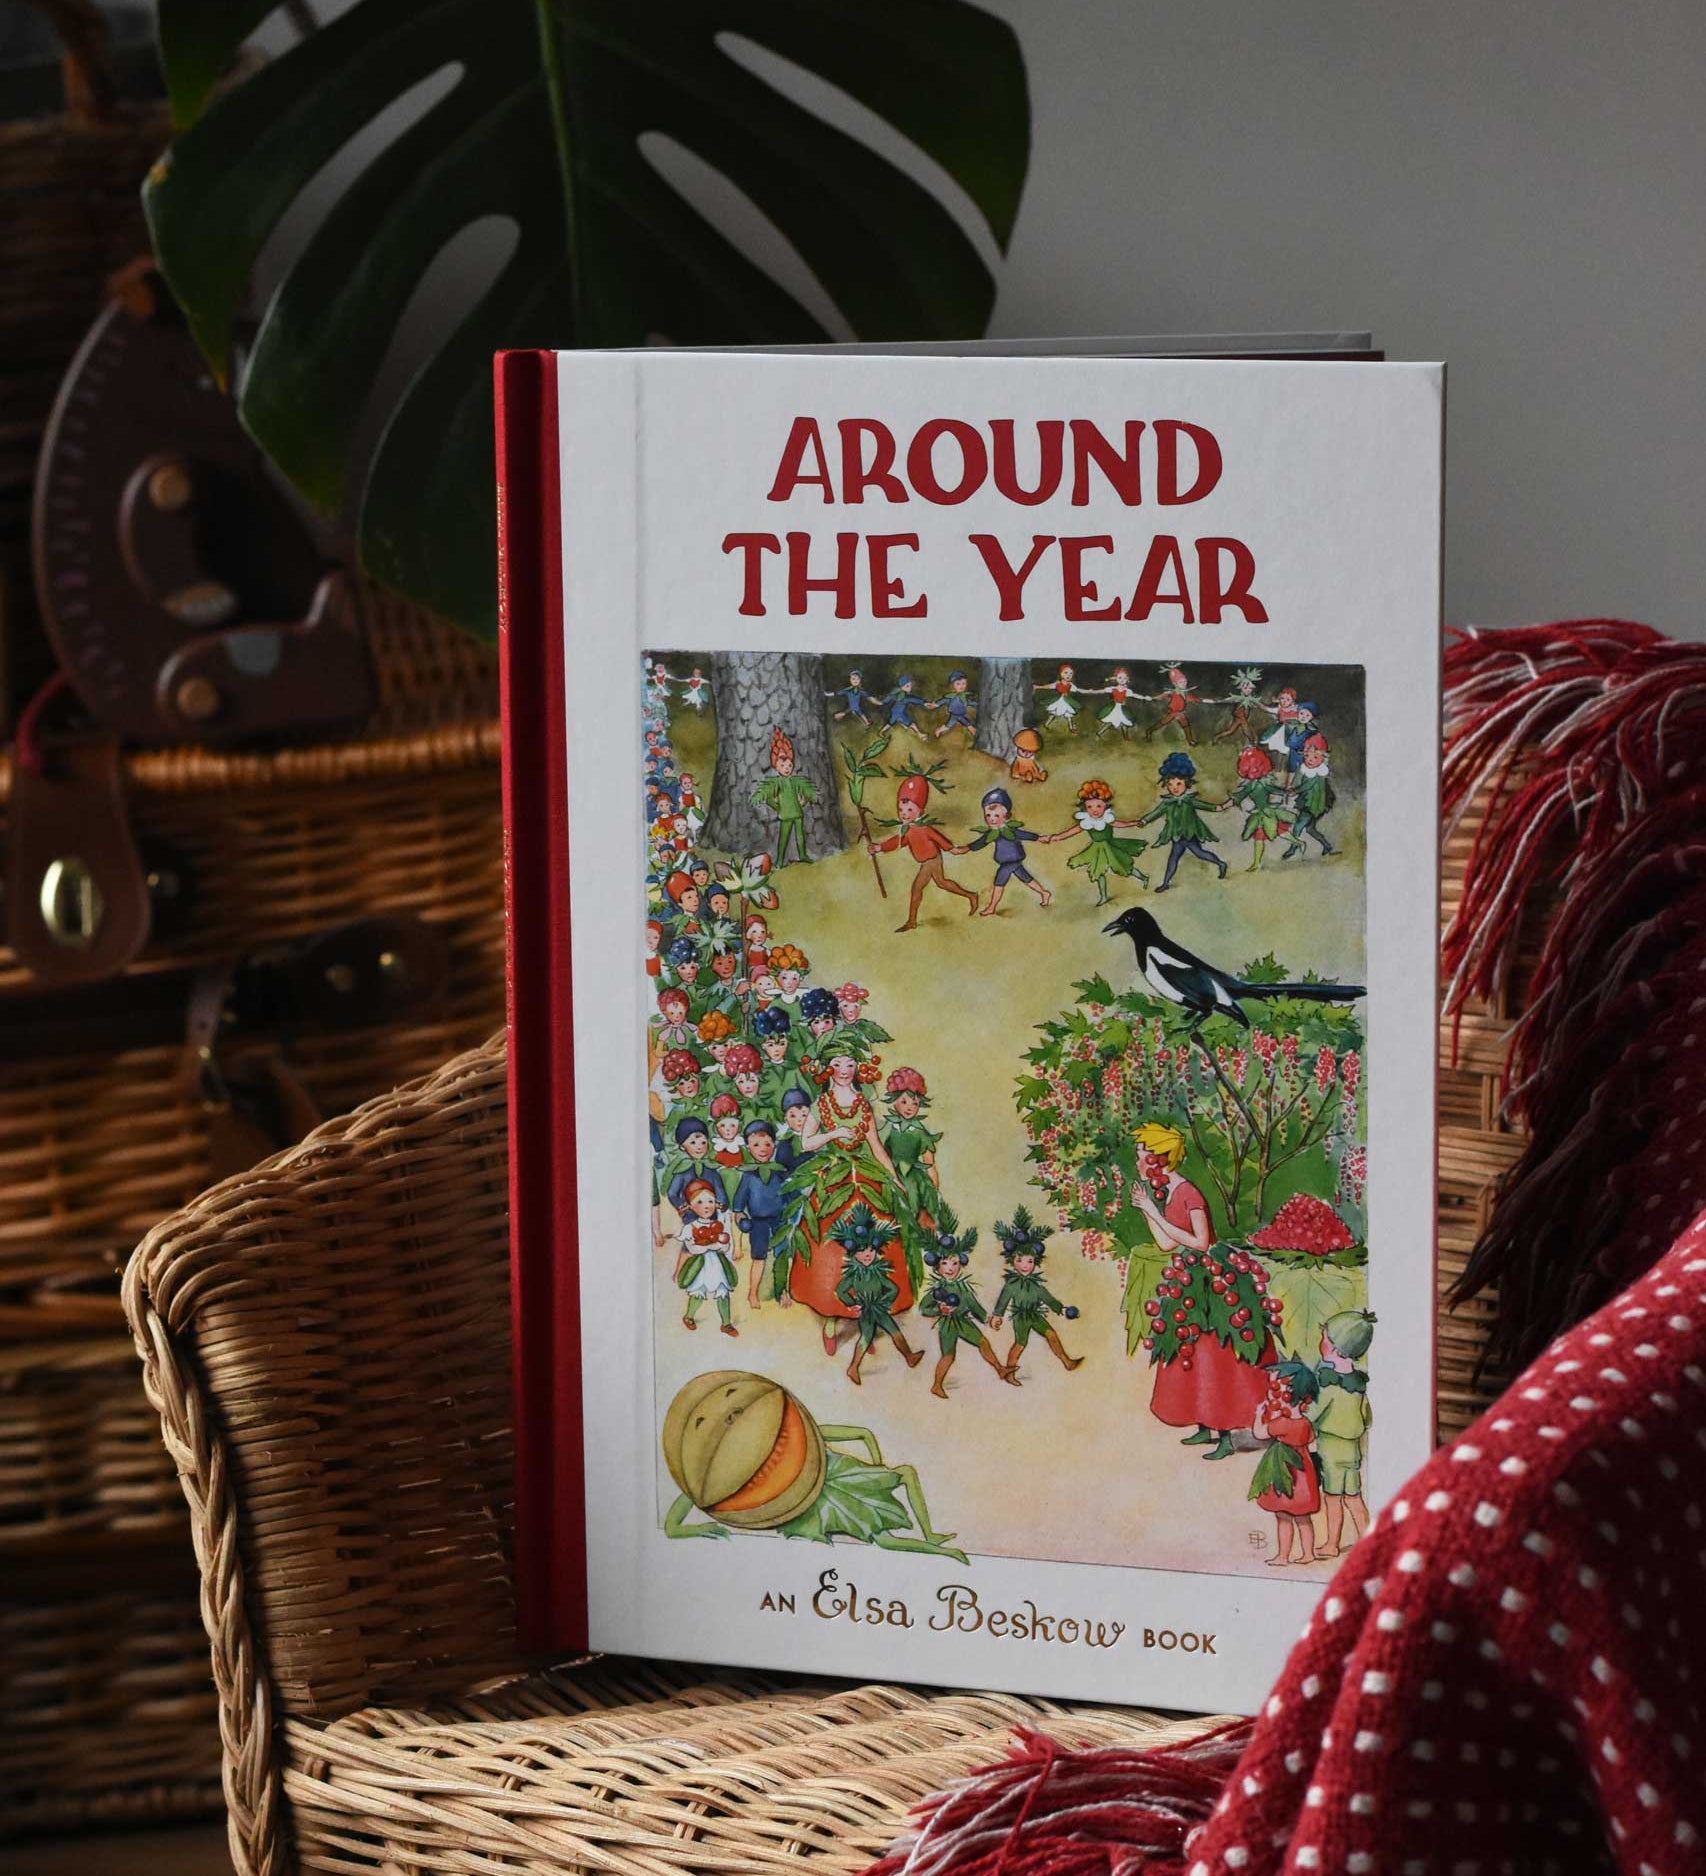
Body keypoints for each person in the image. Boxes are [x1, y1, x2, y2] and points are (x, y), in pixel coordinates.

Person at [771, 1027, 917, 1355]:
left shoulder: (863, 1103)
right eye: (839, 1063)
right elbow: (807, 1142)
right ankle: (830, 1319)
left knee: (876, 1241)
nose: (845, 1069)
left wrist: (894, 1178)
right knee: (829, 1248)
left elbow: (876, 1146)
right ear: (829, 1069)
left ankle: (869, 1314)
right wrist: (833, 1132)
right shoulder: (821, 1103)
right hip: (832, 1174)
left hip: (863, 1176)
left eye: (850, 1063)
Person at [1131, 1120, 1270, 1459]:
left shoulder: (1188, 1192)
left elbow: (1202, 1241)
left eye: (1141, 1154)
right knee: (1188, 1351)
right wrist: (1148, 1210)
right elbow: (1166, 1243)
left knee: (1215, 1356)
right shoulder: (1167, 1193)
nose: (1137, 1161)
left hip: (1214, 1281)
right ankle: (1204, 1427)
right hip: (1188, 1278)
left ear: (1158, 1158)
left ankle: (1225, 1434)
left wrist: (1153, 1211)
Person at [866, 768, 981, 931]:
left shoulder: (925, 829)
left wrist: (956, 849)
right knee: (942, 883)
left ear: (921, 811)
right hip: (927, 862)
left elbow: (941, 841)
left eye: (909, 810)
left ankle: (912, 921)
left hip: (932, 860)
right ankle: (971, 895)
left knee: (918, 887)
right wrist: (879, 847)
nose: (904, 814)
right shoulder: (909, 830)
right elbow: (899, 841)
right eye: (901, 810)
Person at [920, 1221, 1018, 1397]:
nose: (950, 1268)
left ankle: (1000, 1369)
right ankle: (936, 1385)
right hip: (948, 1325)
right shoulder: (937, 1290)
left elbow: (974, 1307)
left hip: (963, 1322)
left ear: (961, 1264)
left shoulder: (963, 1288)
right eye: (945, 1263)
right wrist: (939, 1310)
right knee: (948, 1356)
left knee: (983, 1342)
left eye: (955, 1263)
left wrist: (988, 1319)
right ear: (937, 1266)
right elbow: (924, 1308)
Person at [1306, 1309, 1376, 1556]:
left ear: (1335, 1347)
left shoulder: (1328, 1381)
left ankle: (1332, 1544)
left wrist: (1302, 1418)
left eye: (1325, 1338)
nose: (1321, 1342)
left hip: (1332, 1449)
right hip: (1353, 1449)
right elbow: (1367, 1416)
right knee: (1354, 1497)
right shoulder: (1358, 1383)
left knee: (1333, 1498)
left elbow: (1314, 1413)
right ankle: (1369, 1542)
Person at [832, 1205, 924, 1384]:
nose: (867, 1255)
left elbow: (893, 1289)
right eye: (862, 1251)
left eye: (871, 1250)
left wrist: (886, 1301)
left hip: (879, 1308)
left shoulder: (878, 1271)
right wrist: (852, 1303)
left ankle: (909, 1356)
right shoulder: (853, 1274)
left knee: (894, 1331)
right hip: (866, 1310)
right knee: (866, 1337)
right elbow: (841, 1290)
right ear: (854, 1253)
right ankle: (853, 1367)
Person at [989, 1207, 1082, 1377]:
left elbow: (1046, 1297)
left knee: (1051, 1335)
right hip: (1021, 1318)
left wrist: (1060, 1309)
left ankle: (1067, 1362)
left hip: (1035, 1315)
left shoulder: (1035, 1284)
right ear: (1013, 1261)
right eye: (1020, 1260)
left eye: (1030, 1261)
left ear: (1035, 1262)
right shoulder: (1012, 1284)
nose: (1025, 1265)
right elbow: (1003, 1300)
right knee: (1020, 1344)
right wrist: (997, 1315)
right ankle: (1009, 1372)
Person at [1250, 1360, 1322, 1566]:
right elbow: (1312, 1443)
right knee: (1303, 1518)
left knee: (1283, 1516)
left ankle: (1283, 1556)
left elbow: (1259, 1433)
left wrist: (1258, 1415)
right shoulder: (1305, 1423)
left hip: (1286, 1472)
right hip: (1304, 1472)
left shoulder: (1282, 1424)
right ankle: (1308, 1553)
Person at [1039, 777, 1150, 904]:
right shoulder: (1086, 821)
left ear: (1105, 805)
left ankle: (1143, 877)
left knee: (1123, 866)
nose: (1094, 810)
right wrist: (1056, 837)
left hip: (1110, 846)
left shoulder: (1107, 818)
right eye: (1090, 807)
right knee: (1098, 872)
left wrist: (1134, 823)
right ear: (1085, 808)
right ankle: (1103, 896)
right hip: (1096, 849)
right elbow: (1071, 831)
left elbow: (1120, 824)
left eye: (1098, 806)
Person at [954, 787, 1053, 916]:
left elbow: (1024, 834)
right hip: (1009, 861)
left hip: (1011, 860)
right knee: (1026, 878)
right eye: (988, 815)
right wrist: (965, 848)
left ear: (1006, 816)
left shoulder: (1009, 830)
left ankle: (992, 907)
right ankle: (1044, 893)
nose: (992, 819)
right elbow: (981, 842)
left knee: (999, 882)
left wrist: (1039, 838)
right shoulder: (992, 832)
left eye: (996, 815)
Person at [1138, 751, 1229, 890]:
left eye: (1179, 784)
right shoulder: (1167, 802)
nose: (1174, 788)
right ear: (1166, 785)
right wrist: (1144, 821)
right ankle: (1165, 883)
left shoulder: (1189, 800)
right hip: (1176, 835)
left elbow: (1207, 806)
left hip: (1189, 834)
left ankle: (1220, 863)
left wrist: (1221, 806)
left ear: (1187, 784)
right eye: (1170, 784)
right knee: (1173, 859)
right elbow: (1156, 813)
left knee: (1200, 853)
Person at [733, 1119, 790, 1309]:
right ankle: (752, 1293)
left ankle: (782, 1291)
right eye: (756, 1144)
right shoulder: (748, 1176)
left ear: (774, 1145)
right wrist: (741, 1220)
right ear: (748, 1147)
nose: (762, 1149)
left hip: (780, 1221)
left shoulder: (780, 1173)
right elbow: (738, 1206)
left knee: (782, 1255)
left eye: (767, 1143)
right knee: (759, 1258)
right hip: (758, 1223)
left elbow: (791, 1194)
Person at [673, 1178, 738, 1335]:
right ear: (691, 1206)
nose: (706, 1206)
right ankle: (689, 1316)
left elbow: (725, 1244)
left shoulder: (718, 1225)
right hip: (701, 1265)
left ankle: (726, 1323)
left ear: (716, 1203)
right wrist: (709, 1244)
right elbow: (693, 1249)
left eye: (710, 1201)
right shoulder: (691, 1228)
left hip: (717, 1264)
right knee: (698, 1291)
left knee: (723, 1290)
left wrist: (718, 1243)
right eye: (700, 1202)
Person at [880, 1066, 941, 1230]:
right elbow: (878, 1153)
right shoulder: (888, 1128)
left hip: (915, 1178)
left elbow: (930, 1164)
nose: (910, 1107)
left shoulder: (920, 1132)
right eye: (904, 1101)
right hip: (892, 1175)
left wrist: (934, 1190)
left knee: (917, 1205)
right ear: (894, 1100)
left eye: (915, 1103)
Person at [750, 727, 817, 866]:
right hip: (785, 814)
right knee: (784, 838)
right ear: (776, 767)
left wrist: (802, 802)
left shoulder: (794, 781)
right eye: (783, 765)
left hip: (797, 812)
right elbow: (768, 798)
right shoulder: (777, 782)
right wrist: (778, 807)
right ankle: (780, 860)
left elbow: (804, 793)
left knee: (800, 836)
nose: (787, 768)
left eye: (789, 765)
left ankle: (803, 854)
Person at [1229, 744, 1292, 871]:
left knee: (1279, 832)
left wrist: (1288, 792)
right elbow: (1239, 796)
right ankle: (1256, 863)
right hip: (1258, 814)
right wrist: (1224, 805)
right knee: (1259, 837)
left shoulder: (1265, 783)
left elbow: (1277, 790)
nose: (1253, 772)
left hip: (1268, 813)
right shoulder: (1249, 786)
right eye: (1250, 769)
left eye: (1255, 769)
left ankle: (1299, 843)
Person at [1282, 732, 1338, 858]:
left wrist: (1295, 791)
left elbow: (1307, 785)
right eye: (1307, 756)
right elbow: (1297, 781)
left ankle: (1293, 848)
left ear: (1323, 759)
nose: (1310, 760)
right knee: (1310, 829)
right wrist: (1291, 788)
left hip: (1314, 804)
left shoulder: (1319, 773)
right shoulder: (1304, 769)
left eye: (1314, 758)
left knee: (1297, 827)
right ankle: (1327, 846)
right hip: (1308, 803)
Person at [1148, 665, 1199, 744]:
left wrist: (1211, 701)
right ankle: (1149, 731)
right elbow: (1162, 695)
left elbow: (1197, 699)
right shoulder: (1172, 692)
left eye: (1185, 681)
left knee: (1186, 725)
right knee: (1162, 723)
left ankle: (1190, 741)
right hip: (1172, 712)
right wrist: (1152, 698)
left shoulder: (1186, 693)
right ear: (1175, 683)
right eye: (1181, 682)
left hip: (1180, 713)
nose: (1184, 683)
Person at [929, 669, 977, 741]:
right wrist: (936, 704)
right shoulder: (950, 696)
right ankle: (938, 731)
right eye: (958, 684)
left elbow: (969, 702)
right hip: (954, 715)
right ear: (952, 685)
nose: (961, 686)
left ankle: (974, 733)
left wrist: (977, 704)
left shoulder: (964, 696)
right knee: (950, 726)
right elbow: (942, 701)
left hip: (961, 714)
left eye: (963, 683)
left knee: (966, 725)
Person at [1035, 663, 1082, 732]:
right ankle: (1046, 724)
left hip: (1066, 700)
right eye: (1066, 673)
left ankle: (1071, 728)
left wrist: (1090, 691)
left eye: (1070, 673)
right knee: (1053, 713)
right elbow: (1048, 686)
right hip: (1059, 700)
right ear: (1061, 674)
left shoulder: (1070, 685)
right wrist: (1038, 687)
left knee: (1069, 714)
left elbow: (1078, 689)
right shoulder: (1057, 683)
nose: (1068, 675)